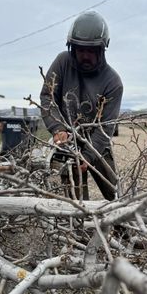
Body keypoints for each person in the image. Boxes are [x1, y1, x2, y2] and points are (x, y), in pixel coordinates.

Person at [40, 10, 123, 201]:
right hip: (67, 144)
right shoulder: (62, 63)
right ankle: (80, 230)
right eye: (80, 50)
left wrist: (87, 156)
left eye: (91, 51)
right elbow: (47, 98)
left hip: (97, 144)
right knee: (77, 203)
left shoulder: (112, 82)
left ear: (102, 49)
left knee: (114, 193)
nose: (85, 55)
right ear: (72, 47)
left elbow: (105, 128)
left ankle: (123, 228)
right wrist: (57, 128)